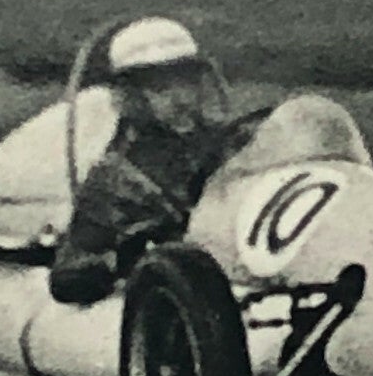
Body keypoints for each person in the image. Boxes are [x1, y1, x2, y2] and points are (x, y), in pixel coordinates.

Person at [48, 17, 266, 304]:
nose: (181, 100)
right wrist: (129, 254)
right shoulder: (116, 176)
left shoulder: (234, 144)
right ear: (132, 96)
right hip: (185, 300)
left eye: (186, 84)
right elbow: (69, 275)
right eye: (160, 89)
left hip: (255, 281)